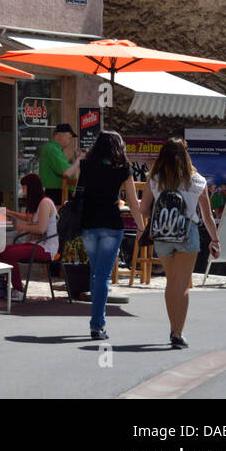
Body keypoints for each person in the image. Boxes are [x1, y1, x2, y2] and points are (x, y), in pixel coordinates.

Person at [139, 137, 220, 348]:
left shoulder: (155, 179)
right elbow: (207, 215)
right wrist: (215, 239)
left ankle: (173, 327)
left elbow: (143, 209)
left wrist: (161, 213)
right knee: (182, 284)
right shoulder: (197, 181)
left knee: (170, 282)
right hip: (187, 234)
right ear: (186, 155)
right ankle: (177, 333)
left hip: (162, 235)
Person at [76, 131, 146, 340]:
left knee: (95, 273)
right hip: (111, 224)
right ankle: (97, 325)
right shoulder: (123, 169)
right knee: (103, 275)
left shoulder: (87, 166)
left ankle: (96, 320)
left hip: (88, 224)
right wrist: (142, 227)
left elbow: (78, 193)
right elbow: (133, 202)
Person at [0, 173, 58, 301]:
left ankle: (18, 289)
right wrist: (11, 213)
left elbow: (41, 229)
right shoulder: (40, 203)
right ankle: (8, 285)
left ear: (31, 187)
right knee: (0, 250)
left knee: (9, 254)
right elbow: (29, 218)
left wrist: (22, 227)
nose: (23, 190)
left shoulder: (45, 203)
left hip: (46, 248)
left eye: (24, 187)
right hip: (36, 244)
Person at [38, 123, 83, 193]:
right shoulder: (52, 149)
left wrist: (76, 160)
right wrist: (79, 159)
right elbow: (67, 173)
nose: (70, 141)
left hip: (57, 192)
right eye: (69, 138)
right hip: (57, 193)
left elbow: (67, 170)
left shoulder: (53, 148)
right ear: (61, 135)